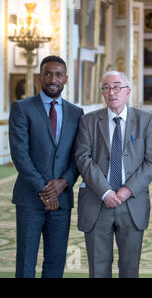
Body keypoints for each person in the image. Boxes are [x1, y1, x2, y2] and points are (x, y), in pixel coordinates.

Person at [75, 71, 152, 278]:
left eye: (117, 87)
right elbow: (83, 159)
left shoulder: (145, 120)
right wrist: (105, 191)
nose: (112, 92)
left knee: (130, 269)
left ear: (128, 91)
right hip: (97, 201)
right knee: (98, 268)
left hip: (132, 204)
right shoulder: (88, 121)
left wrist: (126, 191)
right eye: (106, 88)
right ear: (102, 93)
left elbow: (151, 162)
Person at [9, 55, 84, 278]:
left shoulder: (76, 113)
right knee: (25, 262)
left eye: (58, 74)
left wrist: (64, 183)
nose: (53, 79)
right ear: (40, 77)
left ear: (66, 78)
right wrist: (45, 190)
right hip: (30, 198)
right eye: (48, 74)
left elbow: (78, 156)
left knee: (56, 260)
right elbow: (20, 154)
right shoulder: (22, 108)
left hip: (62, 199)